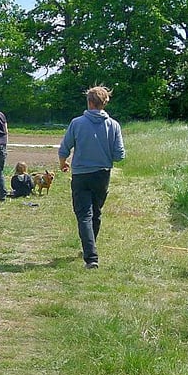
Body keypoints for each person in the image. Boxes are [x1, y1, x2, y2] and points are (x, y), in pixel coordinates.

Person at [58, 86, 125, 269]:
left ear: (89, 102)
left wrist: (63, 163)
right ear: (104, 103)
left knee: (83, 215)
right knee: (96, 212)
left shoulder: (77, 123)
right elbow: (119, 155)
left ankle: (91, 256)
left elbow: (64, 148)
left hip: (81, 174)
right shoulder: (114, 125)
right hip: (102, 174)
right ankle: (90, 248)